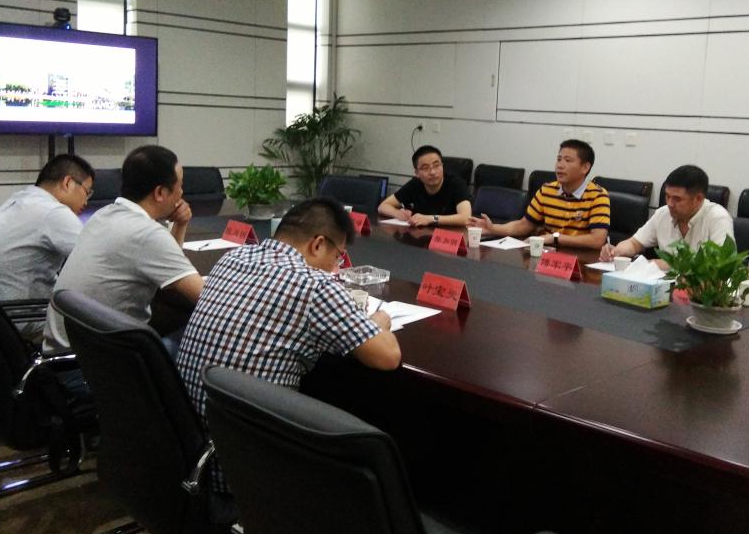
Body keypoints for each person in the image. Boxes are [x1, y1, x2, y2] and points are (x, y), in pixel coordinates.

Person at [175, 197, 400, 491]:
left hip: (188, 451)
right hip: (248, 471)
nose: (336, 268)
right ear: (318, 244)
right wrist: (378, 321)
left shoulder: (232, 259)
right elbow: (388, 356)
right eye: (338, 257)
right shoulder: (315, 285)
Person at [45, 145, 204, 352]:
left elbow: (167, 266)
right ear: (160, 192)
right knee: (197, 331)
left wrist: (180, 225)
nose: (182, 193)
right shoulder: (147, 234)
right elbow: (206, 299)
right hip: (100, 361)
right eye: (179, 186)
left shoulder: (103, 214)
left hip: (61, 353)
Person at [0, 154, 95, 342]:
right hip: (25, 323)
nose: (86, 202)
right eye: (87, 192)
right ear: (68, 183)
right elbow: (96, 262)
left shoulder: (18, 200)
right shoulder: (53, 212)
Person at [468, 140, 609, 250]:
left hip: (580, 260)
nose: (560, 165)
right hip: (547, 256)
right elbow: (524, 225)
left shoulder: (598, 196)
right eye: (559, 159)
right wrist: (493, 228)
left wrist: (554, 238)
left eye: (568, 160)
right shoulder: (547, 190)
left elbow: (597, 240)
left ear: (585, 167)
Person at [600, 165, 732, 268]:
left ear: (698, 199)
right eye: (667, 196)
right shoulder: (663, 213)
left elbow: (721, 265)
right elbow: (635, 243)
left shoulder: (718, 218)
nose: (670, 203)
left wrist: (663, 264)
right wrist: (616, 251)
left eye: (677, 199)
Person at [377, 145, 472, 227]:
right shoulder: (415, 184)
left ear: (442, 166)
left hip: (449, 237)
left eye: (436, 165)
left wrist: (431, 219)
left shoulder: (456, 183)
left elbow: (466, 218)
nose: (432, 172)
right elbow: (382, 206)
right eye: (425, 168)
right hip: (420, 235)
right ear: (417, 173)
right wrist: (397, 213)